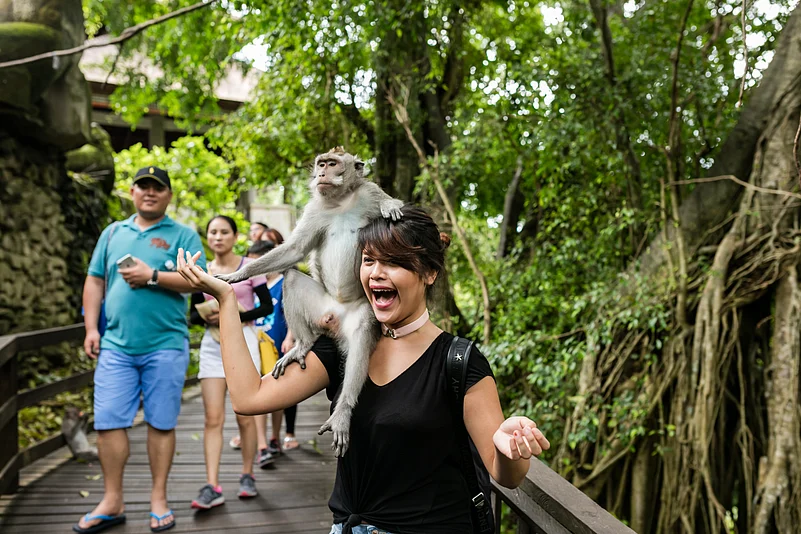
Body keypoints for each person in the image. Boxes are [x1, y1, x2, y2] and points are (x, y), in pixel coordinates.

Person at [176, 204, 550, 534]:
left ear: (429, 273)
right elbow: (247, 397)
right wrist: (226, 299)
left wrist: (509, 449)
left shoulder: (458, 361)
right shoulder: (339, 348)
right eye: (368, 260)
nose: (375, 274)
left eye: (394, 262)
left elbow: (506, 476)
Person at [75, 166, 207, 534]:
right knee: (107, 423)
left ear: (168, 195)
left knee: (161, 423)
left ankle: (158, 499)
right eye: (143, 187)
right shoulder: (113, 232)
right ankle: (111, 500)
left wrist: (153, 275)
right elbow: (95, 280)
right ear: (132, 192)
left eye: (158, 188)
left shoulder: (184, 235)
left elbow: (197, 282)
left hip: (166, 345)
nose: (150, 193)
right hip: (115, 345)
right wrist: (90, 328)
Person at [188, 215, 274, 509]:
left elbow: (266, 305)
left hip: (246, 342)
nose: (218, 237)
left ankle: (247, 474)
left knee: (245, 415)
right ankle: (212, 485)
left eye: (224, 232)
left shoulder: (249, 268)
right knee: (213, 418)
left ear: (235, 236)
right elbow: (191, 316)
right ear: (208, 238)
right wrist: (206, 314)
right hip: (212, 345)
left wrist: (233, 313)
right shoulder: (201, 272)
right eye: (213, 232)